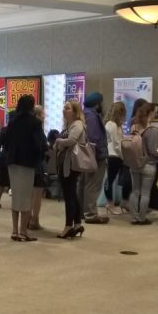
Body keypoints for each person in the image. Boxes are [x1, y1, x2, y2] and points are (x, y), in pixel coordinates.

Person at [4, 96, 47, 242]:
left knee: (16, 196)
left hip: (12, 162)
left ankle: (15, 230)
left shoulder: (13, 121)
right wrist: (40, 156)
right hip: (27, 162)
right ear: (32, 107)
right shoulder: (35, 123)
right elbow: (38, 144)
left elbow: (6, 141)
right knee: (27, 198)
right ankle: (23, 231)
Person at [53, 101, 87, 239]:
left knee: (69, 195)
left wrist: (58, 141)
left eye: (67, 108)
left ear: (74, 111)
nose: (64, 110)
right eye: (64, 108)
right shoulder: (70, 125)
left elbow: (71, 141)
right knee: (72, 193)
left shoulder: (77, 125)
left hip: (70, 165)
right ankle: (77, 224)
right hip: (68, 164)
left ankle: (68, 226)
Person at [77, 92, 110, 224]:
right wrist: (96, 156)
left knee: (83, 184)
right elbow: (94, 137)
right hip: (95, 156)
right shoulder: (92, 117)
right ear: (97, 104)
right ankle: (90, 213)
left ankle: (80, 211)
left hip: (84, 155)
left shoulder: (84, 114)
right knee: (92, 184)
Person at [129, 103, 158, 225]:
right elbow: (154, 150)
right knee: (145, 193)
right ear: (150, 113)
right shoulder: (153, 130)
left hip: (134, 163)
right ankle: (142, 218)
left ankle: (134, 217)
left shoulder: (134, 127)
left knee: (135, 191)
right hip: (148, 164)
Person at [104, 101, 128, 215]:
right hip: (114, 155)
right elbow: (116, 144)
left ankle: (111, 203)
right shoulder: (113, 125)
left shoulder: (111, 124)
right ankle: (110, 204)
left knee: (109, 180)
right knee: (109, 180)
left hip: (112, 154)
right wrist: (124, 156)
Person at [28, 105, 50, 230]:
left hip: (27, 164)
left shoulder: (26, 127)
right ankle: (34, 220)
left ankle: (28, 218)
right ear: (37, 115)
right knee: (37, 193)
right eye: (43, 114)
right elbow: (43, 146)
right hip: (37, 164)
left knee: (29, 194)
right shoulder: (38, 128)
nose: (44, 116)